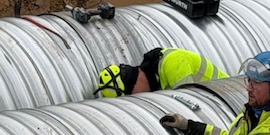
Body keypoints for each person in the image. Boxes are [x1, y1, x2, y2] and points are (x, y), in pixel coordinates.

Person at [94, 46, 227, 97]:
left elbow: (190, 103)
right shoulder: (158, 79)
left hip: (232, 99)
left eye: (131, 95)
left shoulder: (173, 63)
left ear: (133, 83)